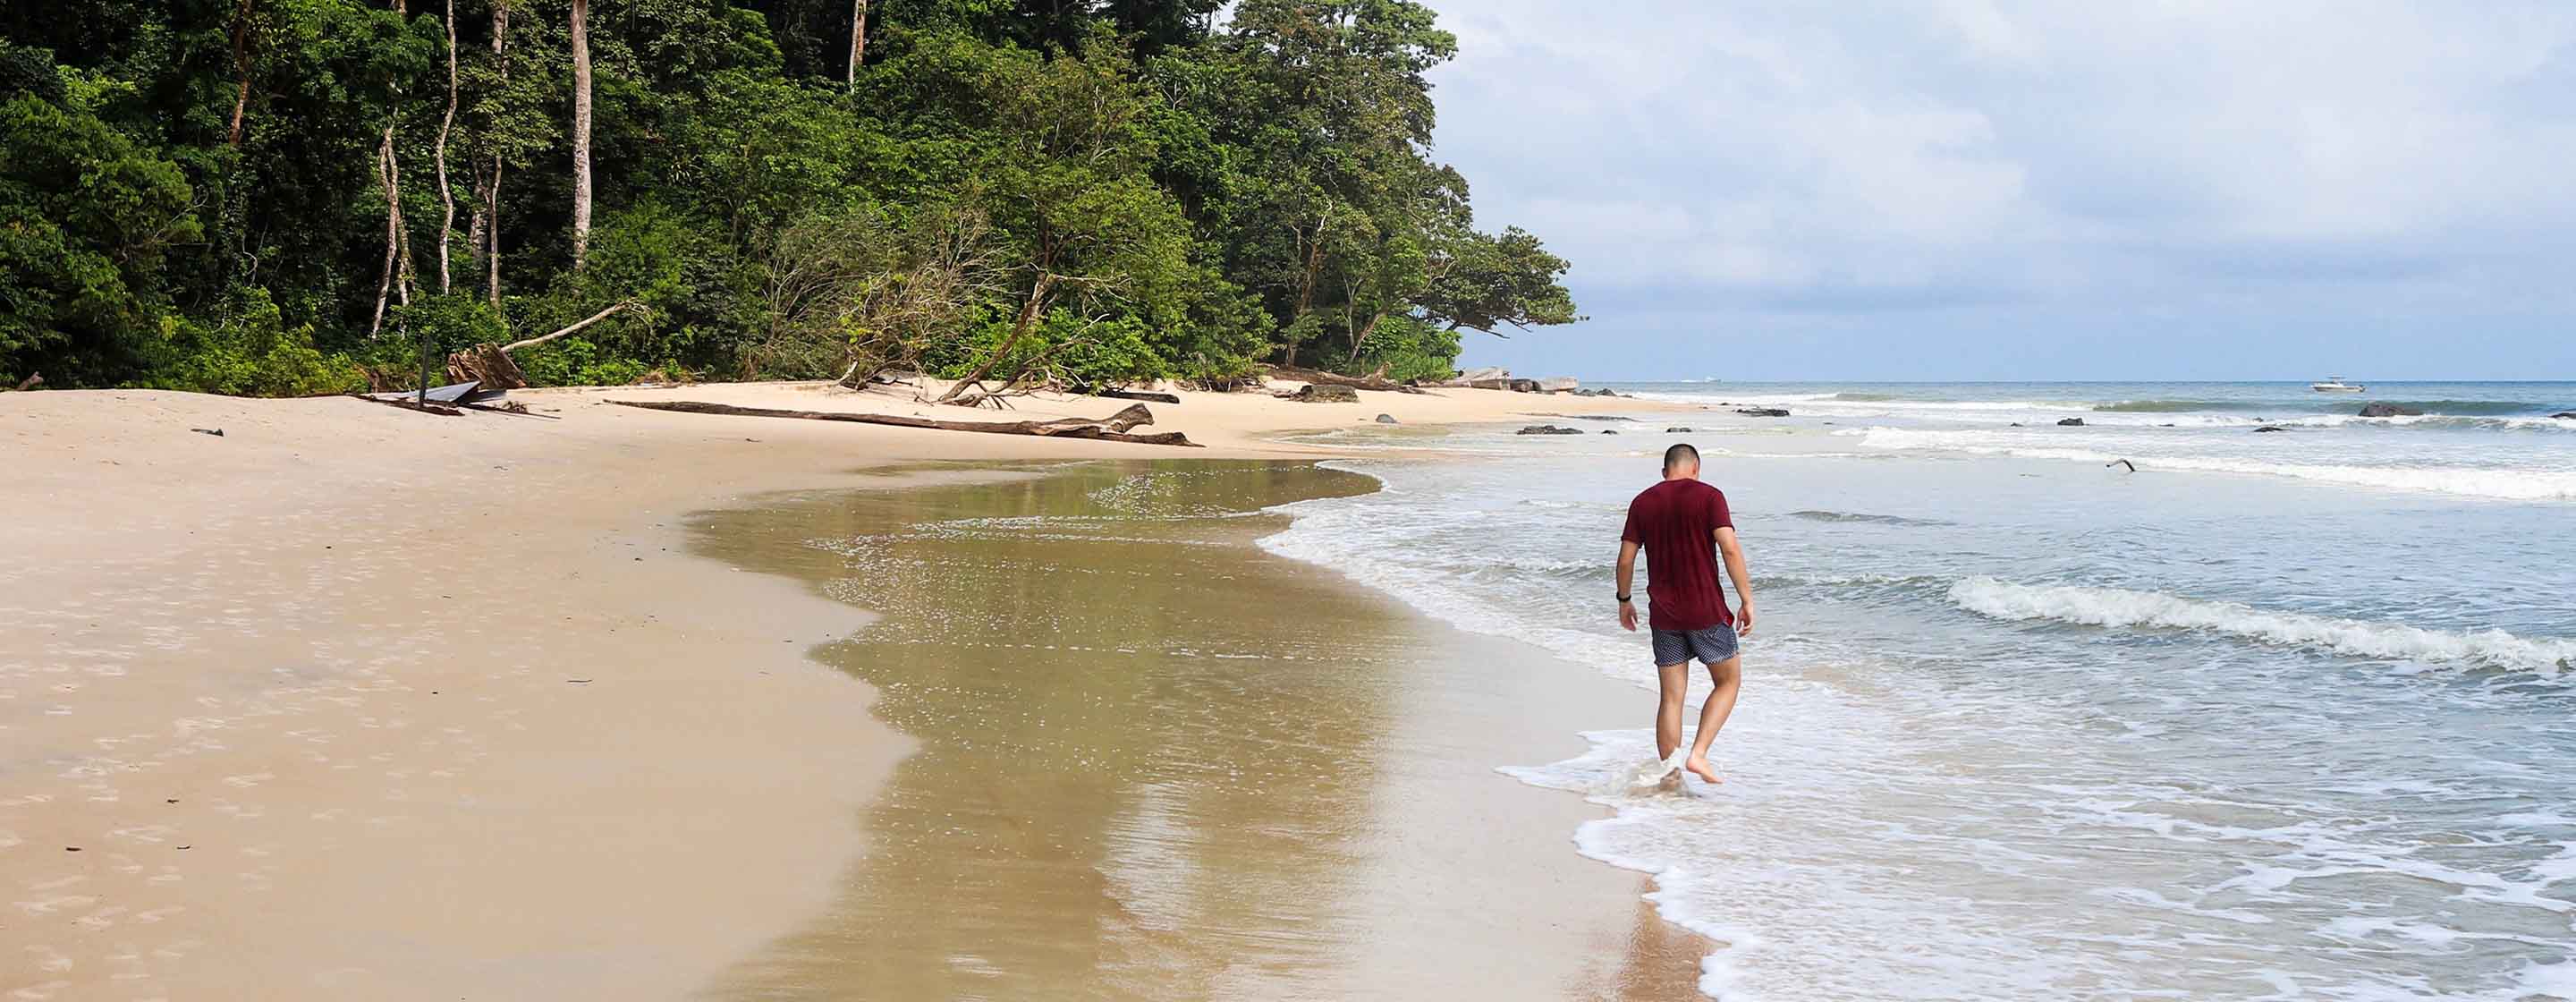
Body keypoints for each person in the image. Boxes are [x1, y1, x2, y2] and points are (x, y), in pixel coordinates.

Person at [1614, 443, 1754, 785]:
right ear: (1696, 468)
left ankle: (1670, 776)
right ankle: (1699, 754)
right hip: (1705, 610)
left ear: (1665, 472)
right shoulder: (1709, 497)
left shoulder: (1643, 502)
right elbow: (1730, 549)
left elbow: (1626, 559)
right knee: (1728, 681)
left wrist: (1624, 599)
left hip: (1663, 615)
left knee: (1671, 698)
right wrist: (1746, 599)